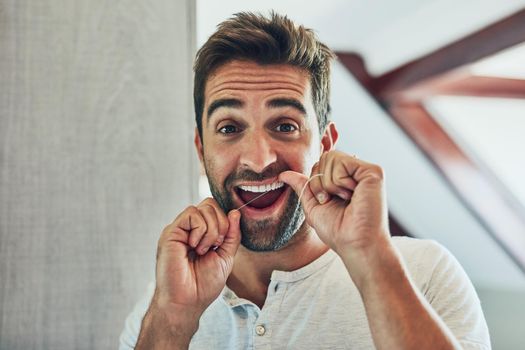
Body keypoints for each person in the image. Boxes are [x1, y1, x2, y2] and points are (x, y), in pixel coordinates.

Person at [119, 12, 490, 350]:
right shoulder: (162, 307)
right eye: (229, 128)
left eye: (285, 126)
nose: (259, 158)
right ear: (201, 151)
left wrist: (370, 258)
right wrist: (173, 319)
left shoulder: (426, 274)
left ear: (324, 144)